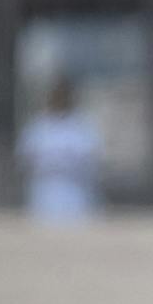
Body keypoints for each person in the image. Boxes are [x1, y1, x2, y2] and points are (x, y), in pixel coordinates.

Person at [17, 80, 103, 222]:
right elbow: (25, 158)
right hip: (45, 193)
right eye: (57, 95)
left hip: (75, 194)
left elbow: (92, 158)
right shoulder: (38, 126)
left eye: (63, 95)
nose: (60, 99)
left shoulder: (81, 126)